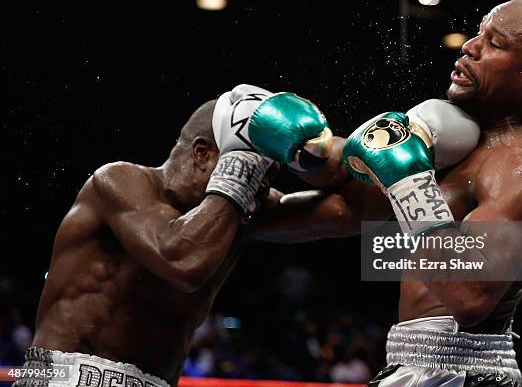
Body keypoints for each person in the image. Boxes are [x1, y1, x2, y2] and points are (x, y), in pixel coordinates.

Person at [252, 0, 522, 386]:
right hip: (411, 363)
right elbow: (351, 204)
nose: (469, 47)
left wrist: (408, 181)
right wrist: (302, 151)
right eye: (477, 33)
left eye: (495, 44)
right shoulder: (450, 136)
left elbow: (469, 298)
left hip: (465, 372)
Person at [17, 84, 333, 387]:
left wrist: (339, 150)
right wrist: (238, 172)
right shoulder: (117, 182)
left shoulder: (242, 212)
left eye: (266, 175)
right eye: (252, 169)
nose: (258, 185)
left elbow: (349, 213)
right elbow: (182, 261)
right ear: (202, 153)